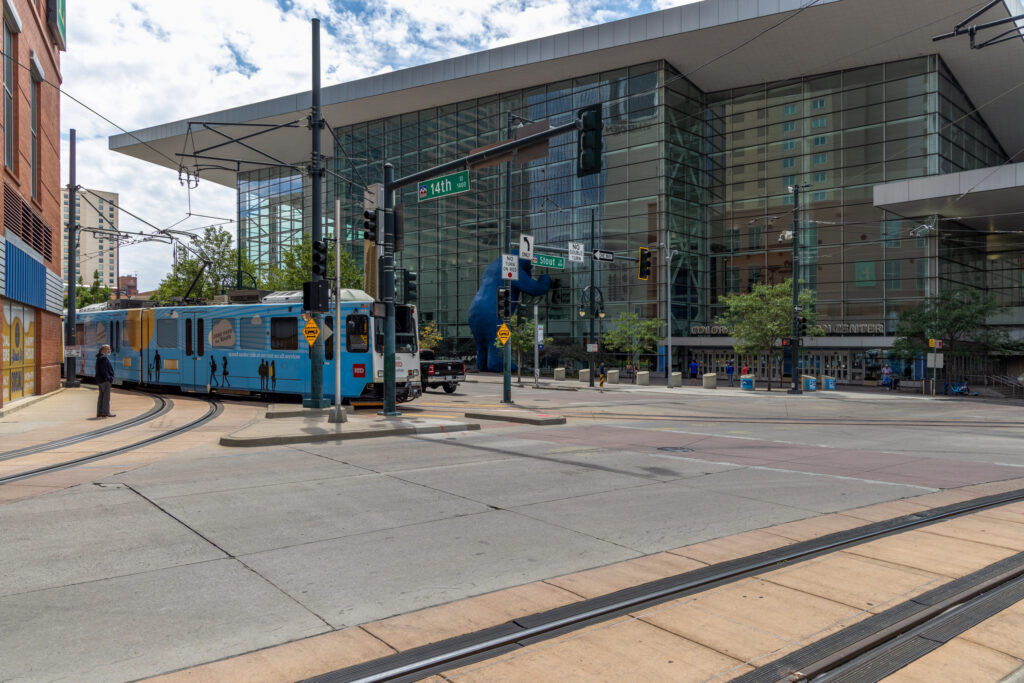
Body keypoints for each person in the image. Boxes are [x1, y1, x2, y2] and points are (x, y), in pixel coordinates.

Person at [96, 345, 116, 418]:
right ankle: (106, 412)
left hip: (100, 380)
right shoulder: (104, 358)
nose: (109, 350)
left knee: (101, 397)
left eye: (109, 349)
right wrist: (108, 378)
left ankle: (100, 412)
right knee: (106, 398)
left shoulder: (99, 358)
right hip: (105, 381)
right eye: (108, 349)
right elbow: (104, 370)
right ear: (103, 350)